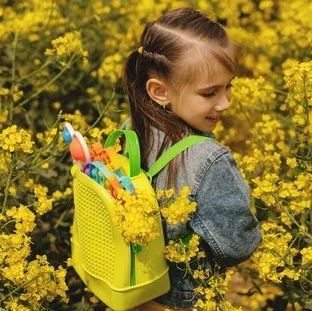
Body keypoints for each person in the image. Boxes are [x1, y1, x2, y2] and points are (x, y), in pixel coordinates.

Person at [121, 8, 262, 310]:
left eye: (229, 87)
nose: (225, 103)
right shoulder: (210, 159)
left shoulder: (130, 130)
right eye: (210, 93)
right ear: (160, 91)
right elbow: (237, 245)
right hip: (183, 301)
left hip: (131, 292)